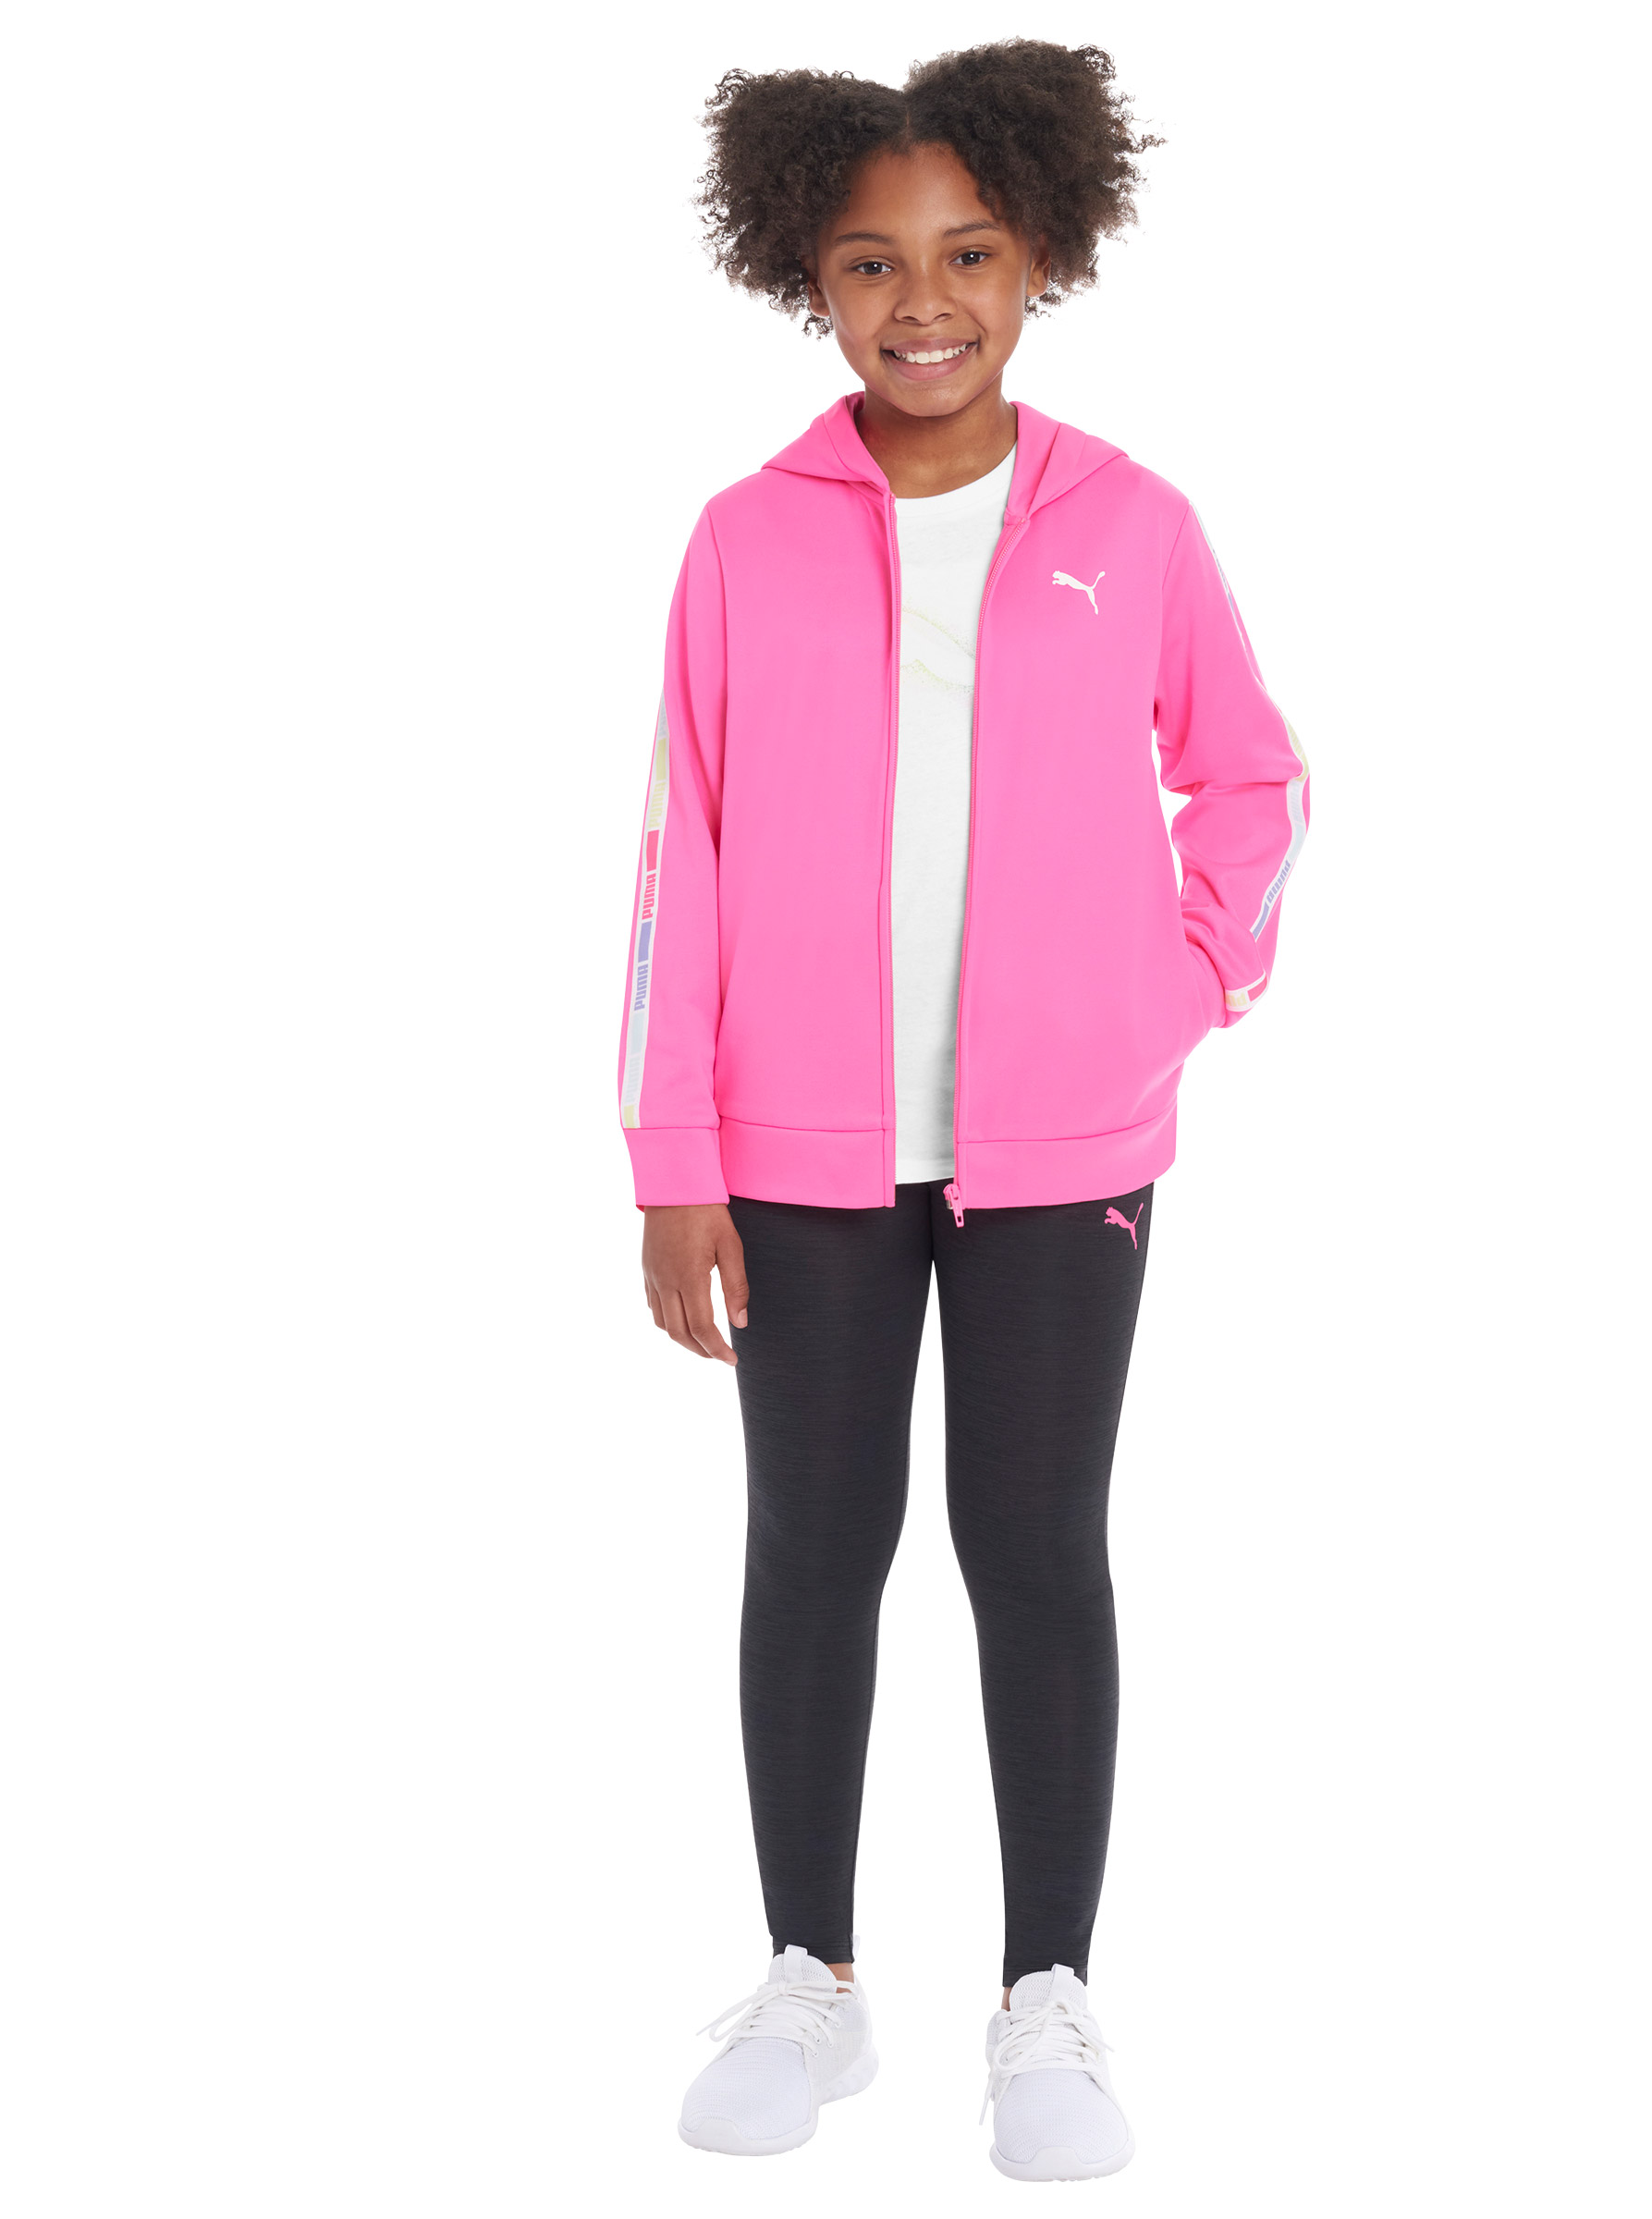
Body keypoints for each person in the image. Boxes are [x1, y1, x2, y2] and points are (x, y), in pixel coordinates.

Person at [619, 40, 1307, 2182]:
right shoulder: (744, 541)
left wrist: (1178, 987)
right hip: (795, 1151)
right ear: (806, 278)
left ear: (1041, 258)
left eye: (970, 254)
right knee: (814, 1547)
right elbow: (680, 857)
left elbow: (1253, 778)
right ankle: (810, 1977)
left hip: (1064, 1150)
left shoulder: (1133, 525)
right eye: (871, 261)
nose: (923, 300)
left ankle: (1049, 1998)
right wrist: (672, 1158)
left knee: (1035, 1550)